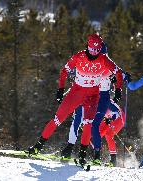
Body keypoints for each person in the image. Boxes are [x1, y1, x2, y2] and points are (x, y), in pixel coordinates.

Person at [27, 34, 123, 166]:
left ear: (100, 49)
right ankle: (38, 147)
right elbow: (64, 71)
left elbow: (118, 73)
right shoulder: (79, 56)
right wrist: (60, 89)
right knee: (59, 119)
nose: (94, 52)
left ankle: (82, 155)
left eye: (97, 50)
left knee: (88, 124)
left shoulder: (104, 59)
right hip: (76, 93)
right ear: (87, 46)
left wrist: (118, 89)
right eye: (91, 49)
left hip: (92, 96)